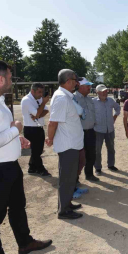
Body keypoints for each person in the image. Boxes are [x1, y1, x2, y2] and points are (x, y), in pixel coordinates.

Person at [0, 59, 52, 254]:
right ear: (1, 79)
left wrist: (15, 138)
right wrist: (16, 130)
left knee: (18, 207)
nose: (12, 81)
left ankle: (25, 242)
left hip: (9, 166)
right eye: (10, 78)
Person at [46, 69, 84, 220]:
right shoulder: (62, 98)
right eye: (75, 80)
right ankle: (64, 210)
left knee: (69, 178)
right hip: (68, 145)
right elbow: (52, 122)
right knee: (67, 179)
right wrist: (49, 138)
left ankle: (66, 203)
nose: (77, 83)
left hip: (72, 143)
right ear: (69, 81)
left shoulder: (66, 96)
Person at [21, 83, 52, 177]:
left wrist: (37, 115)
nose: (41, 94)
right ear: (32, 91)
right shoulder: (27, 100)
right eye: (39, 92)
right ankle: (40, 169)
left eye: (42, 92)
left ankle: (32, 168)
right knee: (36, 151)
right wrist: (42, 106)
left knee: (37, 150)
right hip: (30, 129)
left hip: (38, 127)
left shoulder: (38, 99)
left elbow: (46, 111)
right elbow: (39, 112)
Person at [74, 77, 100, 182]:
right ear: (80, 86)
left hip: (90, 131)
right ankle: (75, 178)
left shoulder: (89, 99)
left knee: (91, 154)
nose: (90, 87)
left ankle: (89, 174)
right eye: (87, 85)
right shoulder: (73, 98)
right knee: (78, 157)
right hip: (79, 132)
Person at [92, 84, 121, 175]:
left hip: (110, 130)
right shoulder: (93, 102)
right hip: (97, 130)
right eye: (102, 91)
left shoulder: (111, 101)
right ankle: (98, 168)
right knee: (97, 150)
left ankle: (111, 165)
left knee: (111, 148)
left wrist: (115, 116)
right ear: (97, 92)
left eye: (105, 91)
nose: (104, 93)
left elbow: (118, 108)